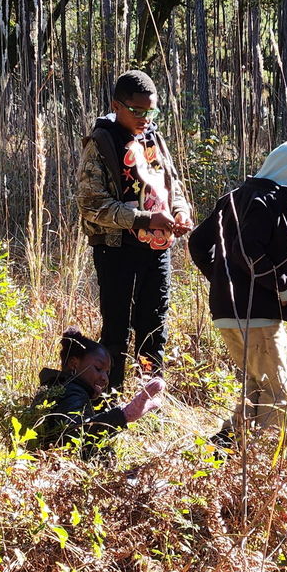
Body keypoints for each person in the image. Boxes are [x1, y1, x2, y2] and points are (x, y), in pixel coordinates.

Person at [188, 141, 287, 446]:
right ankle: (263, 462)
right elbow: (248, 250)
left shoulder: (233, 198)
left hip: (226, 312)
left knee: (255, 385)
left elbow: (198, 242)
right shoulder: (267, 200)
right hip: (256, 312)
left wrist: (222, 279)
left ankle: (225, 448)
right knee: (278, 391)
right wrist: (282, 286)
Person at [76, 69, 193, 392]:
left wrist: (180, 211)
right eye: (137, 111)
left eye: (150, 111)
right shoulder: (101, 143)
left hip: (156, 250)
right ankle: (108, 400)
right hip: (116, 251)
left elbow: (172, 185)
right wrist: (143, 219)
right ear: (117, 105)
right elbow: (91, 205)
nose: (145, 118)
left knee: (154, 327)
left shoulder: (152, 138)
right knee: (116, 330)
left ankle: (150, 400)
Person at [19, 328, 165, 459]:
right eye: (98, 368)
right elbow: (73, 434)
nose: (105, 378)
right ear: (74, 364)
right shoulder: (72, 391)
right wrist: (125, 414)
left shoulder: (57, 387)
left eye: (107, 372)